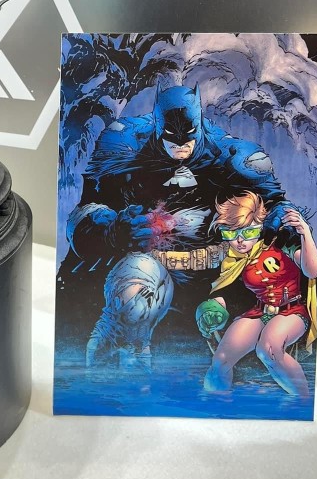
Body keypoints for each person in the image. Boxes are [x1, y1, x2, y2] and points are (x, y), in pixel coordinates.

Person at [57, 83, 292, 368]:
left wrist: (284, 225)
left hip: (222, 272)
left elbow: (277, 208)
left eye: (187, 138)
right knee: (131, 300)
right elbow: (84, 213)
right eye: (171, 138)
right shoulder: (124, 144)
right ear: (158, 127)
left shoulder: (235, 156)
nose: (180, 145)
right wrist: (113, 231)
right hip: (148, 268)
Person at [197, 192, 317, 398]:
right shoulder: (234, 258)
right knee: (221, 359)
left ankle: (303, 403)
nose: (240, 241)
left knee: (268, 349)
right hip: (259, 312)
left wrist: (305, 232)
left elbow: (312, 271)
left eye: (248, 232)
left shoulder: (281, 244)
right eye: (231, 234)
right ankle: (215, 404)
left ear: (260, 226)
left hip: (291, 311)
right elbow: (230, 290)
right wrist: (212, 308)